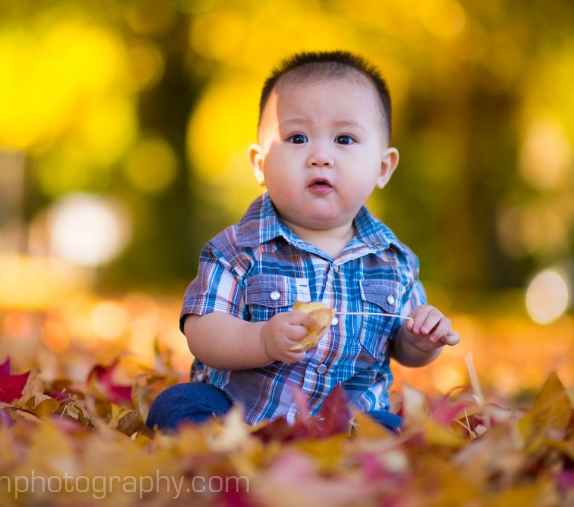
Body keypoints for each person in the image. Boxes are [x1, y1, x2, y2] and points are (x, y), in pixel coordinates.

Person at [147, 50, 460, 433]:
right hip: (239, 415)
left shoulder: (394, 262)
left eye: (344, 138)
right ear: (260, 164)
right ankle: (222, 461)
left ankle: (351, 473)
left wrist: (423, 339)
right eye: (297, 138)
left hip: (349, 422)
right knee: (178, 404)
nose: (320, 156)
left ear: (383, 167)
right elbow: (202, 332)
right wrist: (261, 339)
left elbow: (405, 352)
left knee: (393, 431)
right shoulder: (236, 249)